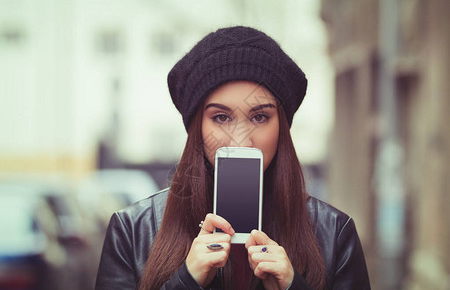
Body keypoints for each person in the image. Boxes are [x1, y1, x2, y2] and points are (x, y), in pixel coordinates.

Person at [95, 26, 371, 290]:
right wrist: (186, 282)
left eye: (260, 116)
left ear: (282, 128)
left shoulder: (334, 233)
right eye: (221, 117)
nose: (241, 139)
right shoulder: (133, 230)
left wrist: (291, 286)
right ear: (197, 129)